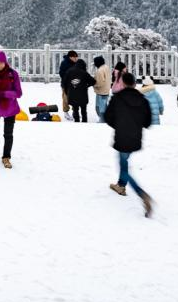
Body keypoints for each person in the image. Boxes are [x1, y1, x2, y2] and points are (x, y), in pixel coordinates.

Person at [104, 70, 154, 217]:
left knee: (124, 166)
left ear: (124, 83)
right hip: (135, 138)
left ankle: (142, 194)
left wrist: (119, 125)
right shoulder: (143, 100)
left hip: (121, 137)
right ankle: (120, 185)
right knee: (124, 160)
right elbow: (148, 122)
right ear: (134, 83)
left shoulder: (117, 98)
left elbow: (107, 117)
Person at [63, 56, 94, 123]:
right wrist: (87, 86)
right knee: (83, 110)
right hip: (83, 95)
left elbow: (64, 83)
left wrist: (67, 92)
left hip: (72, 95)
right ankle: (84, 122)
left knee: (75, 110)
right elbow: (93, 81)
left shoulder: (69, 71)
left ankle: (77, 123)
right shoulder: (84, 73)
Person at [56, 50, 79, 115]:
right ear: (70, 57)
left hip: (75, 84)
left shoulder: (77, 63)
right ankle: (66, 112)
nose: (76, 58)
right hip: (66, 84)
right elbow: (61, 73)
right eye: (74, 57)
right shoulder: (64, 63)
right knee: (66, 98)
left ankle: (75, 111)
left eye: (76, 57)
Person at [93, 56, 112, 121]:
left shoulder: (100, 71)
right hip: (106, 90)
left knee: (99, 108)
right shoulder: (106, 67)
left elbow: (99, 83)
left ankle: (102, 121)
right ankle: (105, 119)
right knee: (104, 106)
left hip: (101, 92)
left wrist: (94, 85)